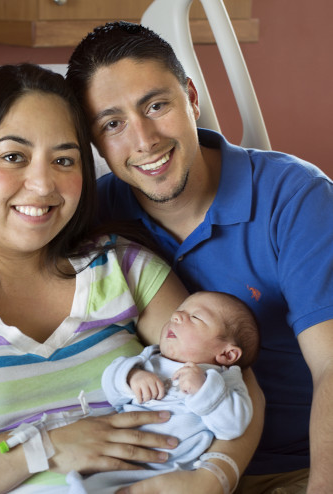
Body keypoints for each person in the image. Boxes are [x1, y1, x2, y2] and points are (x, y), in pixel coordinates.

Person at [0, 63, 261, 494]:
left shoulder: (122, 267)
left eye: (63, 160)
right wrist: (43, 449)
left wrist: (214, 477)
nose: (42, 184)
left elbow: (234, 378)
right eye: (13, 156)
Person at [66, 20, 333, 494]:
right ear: (95, 142)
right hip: (163, 472)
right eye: (113, 123)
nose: (144, 139)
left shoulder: (296, 198)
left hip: (297, 467)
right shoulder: (95, 214)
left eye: (156, 105)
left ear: (191, 97)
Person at [66, 291, 259, 493]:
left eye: (195, 317)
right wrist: (131, 377)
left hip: (172, 471)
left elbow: (232, 427)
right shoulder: (150, 357)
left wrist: (203, 389)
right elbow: (111, 384)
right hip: (120, 458)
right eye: (179, 310)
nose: (176, 316)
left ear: (227, 354)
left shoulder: (224, 380)